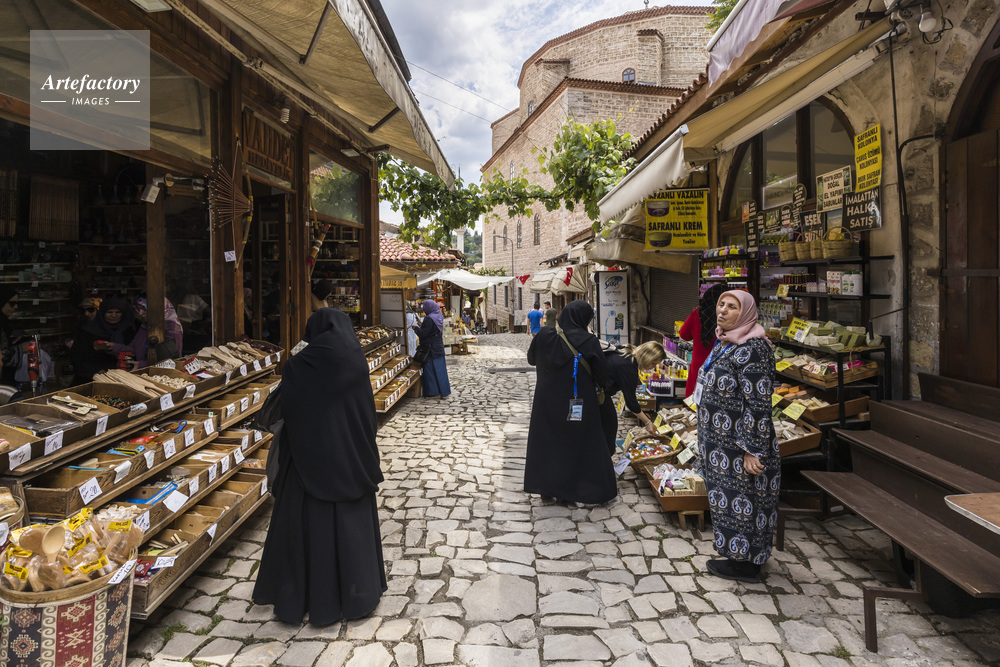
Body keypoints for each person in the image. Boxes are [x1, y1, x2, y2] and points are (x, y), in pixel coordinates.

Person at [253, 308, 386, 625]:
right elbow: (364, 410)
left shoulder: (301, 365)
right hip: (352, 457)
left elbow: (289, 407)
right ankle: (359, 593)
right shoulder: (355, 357)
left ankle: (307, 596)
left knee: (307, 528)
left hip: (310, 462)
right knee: (352, 529)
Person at [697, 290, 779, 583]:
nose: (722, 310)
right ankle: (737, 557)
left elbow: (758, 403)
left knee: (744, 502)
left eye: (732, 307)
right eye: (721, 304)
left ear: (745, 313)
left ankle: (745, 566)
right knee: (728, 503)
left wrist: (753, 449)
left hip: (739, 446)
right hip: (721, 445)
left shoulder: (753, 349)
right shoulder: (727, 342)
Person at [524, 301, 617, 505]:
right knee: (575, 443)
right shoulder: (588, 341)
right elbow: (602, 375)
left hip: (546, 401)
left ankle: (546, 488)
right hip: (577, 402)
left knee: (548, 442)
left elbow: (531, 359)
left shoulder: (544, 335)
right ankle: (567, 493)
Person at [598, 341, 667, 454]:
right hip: (598, 395)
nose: (652, 368)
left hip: (595, 390)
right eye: (653, 363)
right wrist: (647, 422)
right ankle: (604, 458)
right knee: (609, 429)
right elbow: (631, 402)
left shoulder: (626, 351)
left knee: (606, 426)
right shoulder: (628, 367)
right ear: (648, 358)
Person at [70, 296, 137, 385]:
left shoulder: (129, 331)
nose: (114, 315)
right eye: (110, 312)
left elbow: (135, 352)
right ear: (102, 313)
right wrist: (98, 372)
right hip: (92, 379)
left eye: (118, 312)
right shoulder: (88, 331)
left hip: (125, 379)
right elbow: (77, 358)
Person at [678, 284, 725, 398]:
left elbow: (684, 335)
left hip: (698, 366)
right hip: (721, 369)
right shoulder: (728, 317)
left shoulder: (697, 313)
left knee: (695, 401)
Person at [131, 297, 184, 368]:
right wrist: (115, 347)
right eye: (139, 309)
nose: (140, 313)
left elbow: (171, 361)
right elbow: (133, 347)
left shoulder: (172, 329)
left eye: (144, 309)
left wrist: (141, 365)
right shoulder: (146, 325)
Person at [412, 300, 451, 398]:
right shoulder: (438, 316)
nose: (424, 310)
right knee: (440, 371)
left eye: (425, 308)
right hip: (438, 348)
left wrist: (416, 328)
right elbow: (431, 331)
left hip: (430, 350)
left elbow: (423, 334)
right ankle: (443, 391)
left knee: (430, 372)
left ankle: (433, 392)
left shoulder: (429, 319)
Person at [0, 287, 23, 403]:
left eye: (17, 304)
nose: (16, 307)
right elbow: (4, 354)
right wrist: (20, 348)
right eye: (12, 303)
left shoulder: (4, 322)